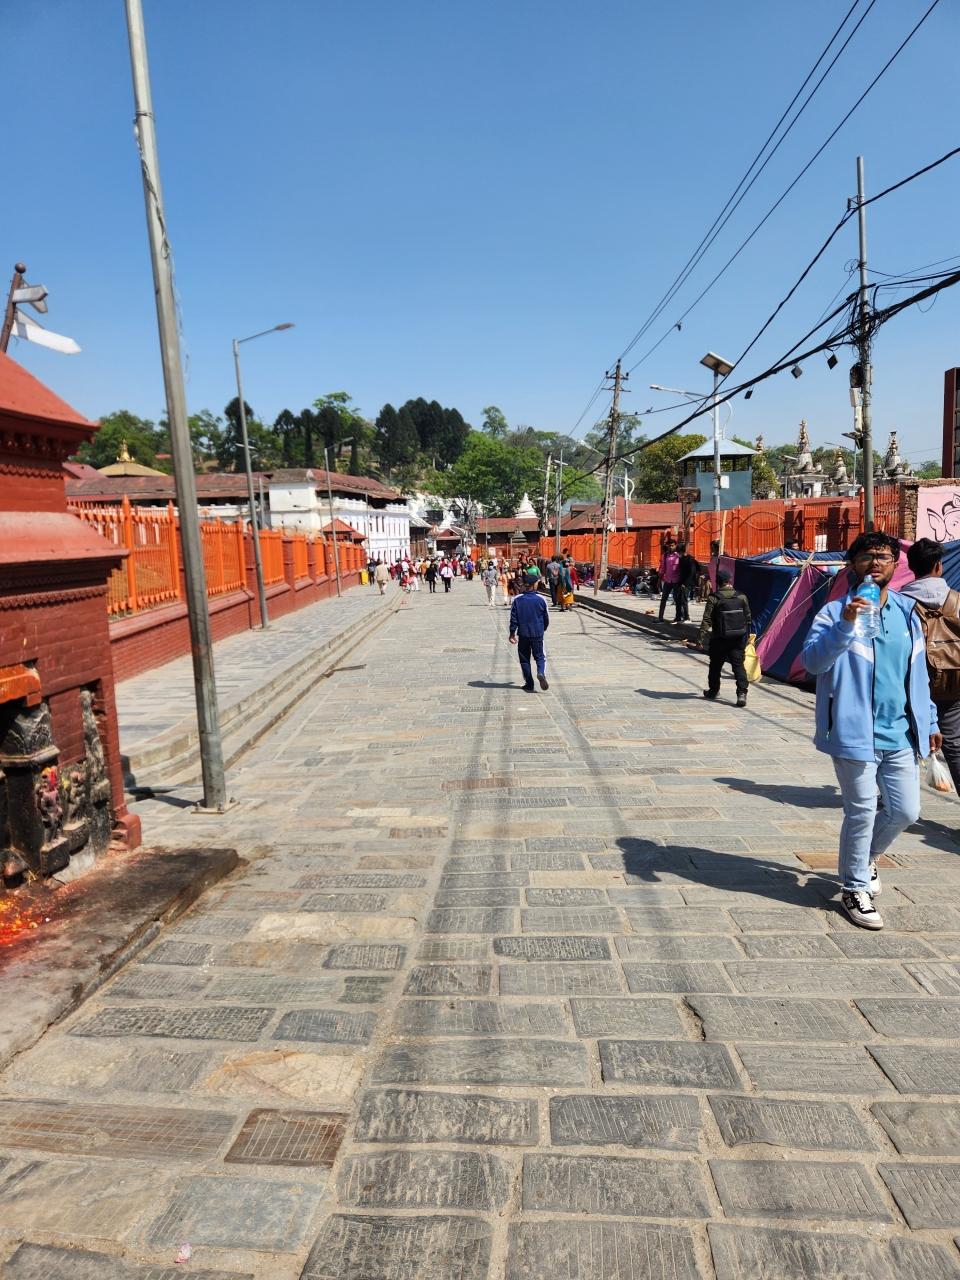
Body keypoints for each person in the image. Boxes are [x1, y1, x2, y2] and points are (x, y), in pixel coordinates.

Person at [801, 531, 940, 931]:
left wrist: (929, 720)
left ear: (895, 565)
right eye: (866, 556)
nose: (875, 562)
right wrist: (845, 624)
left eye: (883, 556)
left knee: (906, 811)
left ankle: (864, 859)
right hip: (852, 732)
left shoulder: (907, 612)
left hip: (900, 732)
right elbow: (813, 663)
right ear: (852, 565)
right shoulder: (833, 612)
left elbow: (918, 674)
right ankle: (854, 887)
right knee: (861, 812)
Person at [901, 537, 960, 791]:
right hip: (952, 683)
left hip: (910, 685)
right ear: (939, 565)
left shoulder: (900, 603)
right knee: (955, 744)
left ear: (911, 567)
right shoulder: (957, 600)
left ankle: (894, 795)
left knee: (903, 743)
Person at [699, 569, 752, 709]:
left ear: (717, 582)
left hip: (719, 638)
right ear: (729, 581)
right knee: (738, 666)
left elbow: (707, 620)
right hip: (738, 638)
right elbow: (748, 617)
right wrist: (746, 636)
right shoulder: (741, 596)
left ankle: (713, 691)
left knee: (715, 666)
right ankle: (742, 693)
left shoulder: (714, 598)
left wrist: (700, 638)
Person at [509, 567, 550, 691]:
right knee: (540, 656)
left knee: (524, 659)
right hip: (537, 633)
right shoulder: (541, 599)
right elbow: (546, 618)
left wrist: (512, 633)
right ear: (534, 584)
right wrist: (543, 629)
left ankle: (529, 683)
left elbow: (514, 619)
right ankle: (541, 672)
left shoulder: (517, 600)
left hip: (523, 634)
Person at [658, 539, 681, 621]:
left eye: (672, 545)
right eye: (669, 546)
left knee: (677, 599)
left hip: (676, 580)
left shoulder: (679, 556)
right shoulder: (665, 556)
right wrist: (660, 577)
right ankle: (660, 617)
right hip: (667, 580)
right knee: (663, 599)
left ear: (675, 545)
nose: (670, 547)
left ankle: (679, 617)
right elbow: (663, 568)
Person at [676, 544, 698, 623]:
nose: (678, 554)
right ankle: (679, 617)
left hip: (688, 583)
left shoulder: (690, 559)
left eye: (678, 552)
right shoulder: (681, 559)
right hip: (681, 582)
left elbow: (692, 573)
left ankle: (687, 618)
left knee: (684, 600)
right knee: (678, 600)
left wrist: (685, 583)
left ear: (682, 551)